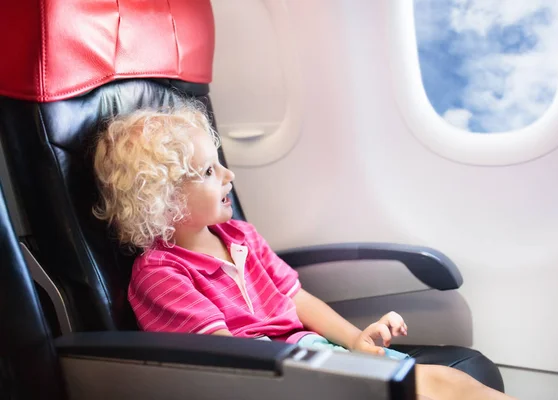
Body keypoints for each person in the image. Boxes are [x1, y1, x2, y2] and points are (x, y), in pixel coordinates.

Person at [92, 101, 516, 400]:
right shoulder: (161, 273)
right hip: (270, 379)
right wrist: (323, 367)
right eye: (208, 170)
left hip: (311, 358)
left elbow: (295, 297)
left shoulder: (241, 237)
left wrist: (355, 341)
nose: (228, 174)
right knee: (425, 391)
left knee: (448, 383)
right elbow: (225, 357)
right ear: (163, 200)